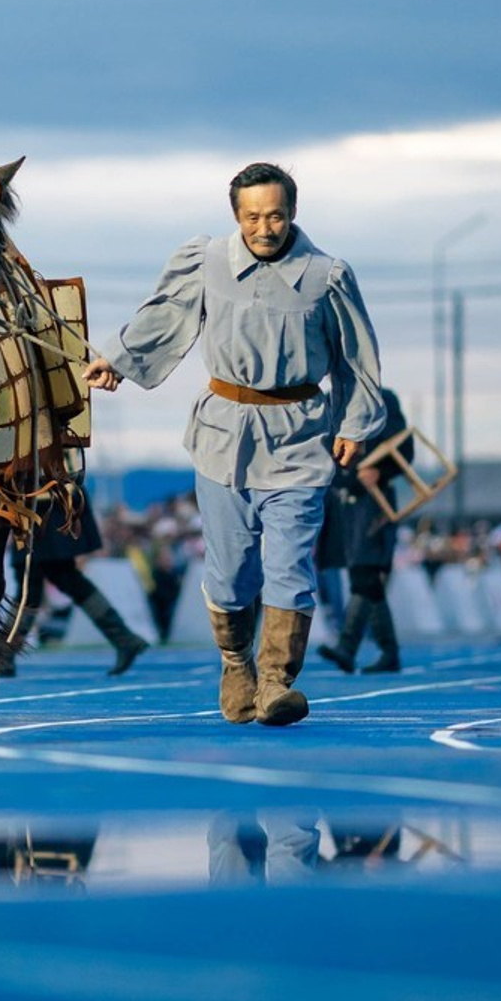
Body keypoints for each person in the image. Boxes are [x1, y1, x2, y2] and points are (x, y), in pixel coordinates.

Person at [84, 162, 385, 726]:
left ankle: (275, 684)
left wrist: (353, 425)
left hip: (299, 436)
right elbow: (165, 317)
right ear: (236, 216)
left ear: (293, 212)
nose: (263, 228)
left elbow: (357, 359)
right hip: (222, 434)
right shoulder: (208, 262)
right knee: (230, 573)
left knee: (290, 564)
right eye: (252, 217)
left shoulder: (327, 275)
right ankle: (236, 663)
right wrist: (118, 361)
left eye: (274, 215)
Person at [0, 488, 149, 678]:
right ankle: (123, 638)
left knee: (32, 582)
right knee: (62, 578)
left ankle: (5, 654)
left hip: (40, 500)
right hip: (54, 500)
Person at [316, 385, 411, 674]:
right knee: (366, 576)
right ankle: (389, 651)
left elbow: (404, 446)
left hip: (375, 498)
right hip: (341, 501)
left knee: (365, 571)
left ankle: (347, 646)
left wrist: (381, 469)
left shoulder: (382, 398)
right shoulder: (329, 399)